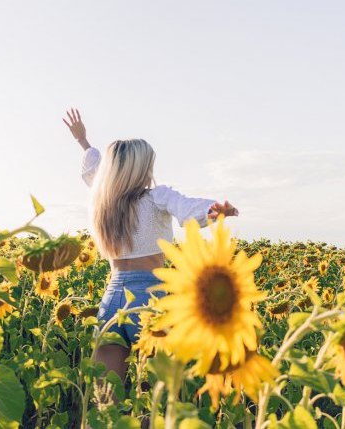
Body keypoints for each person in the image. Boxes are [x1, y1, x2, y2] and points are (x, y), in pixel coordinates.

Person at [63, 108, 239, 428]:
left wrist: (83, 140)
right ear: (143, 168)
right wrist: (216, 211)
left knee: (106, 404)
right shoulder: (156, 197)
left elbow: (93, 170)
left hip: (112, 299)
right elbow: (188, 211)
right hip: (151, 299)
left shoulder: (105, 201)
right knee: (157, 400)